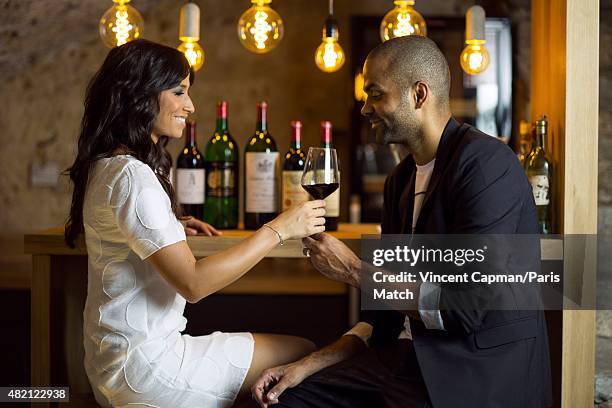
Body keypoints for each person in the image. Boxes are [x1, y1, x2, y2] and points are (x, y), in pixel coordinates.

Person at [252, 36, 552, 408]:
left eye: (375, 94)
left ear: (419, 94)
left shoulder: (487, 166)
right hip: (404, 360)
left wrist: (353, 270)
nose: (365, 109)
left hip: (472, 371)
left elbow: (464, 308)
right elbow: (381, 317)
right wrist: (307, 366)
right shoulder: (400, 181)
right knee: (282, 399)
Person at [64, 39, 326, 408]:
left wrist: (170, 226)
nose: (190, 106)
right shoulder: (133, 177)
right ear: (140, 95)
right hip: (150, 372)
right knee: (303, 351)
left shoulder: (106, 165)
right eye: (178, 92)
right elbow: (194, 284)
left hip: (112, 366)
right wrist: (280, 228)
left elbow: (120, 232)